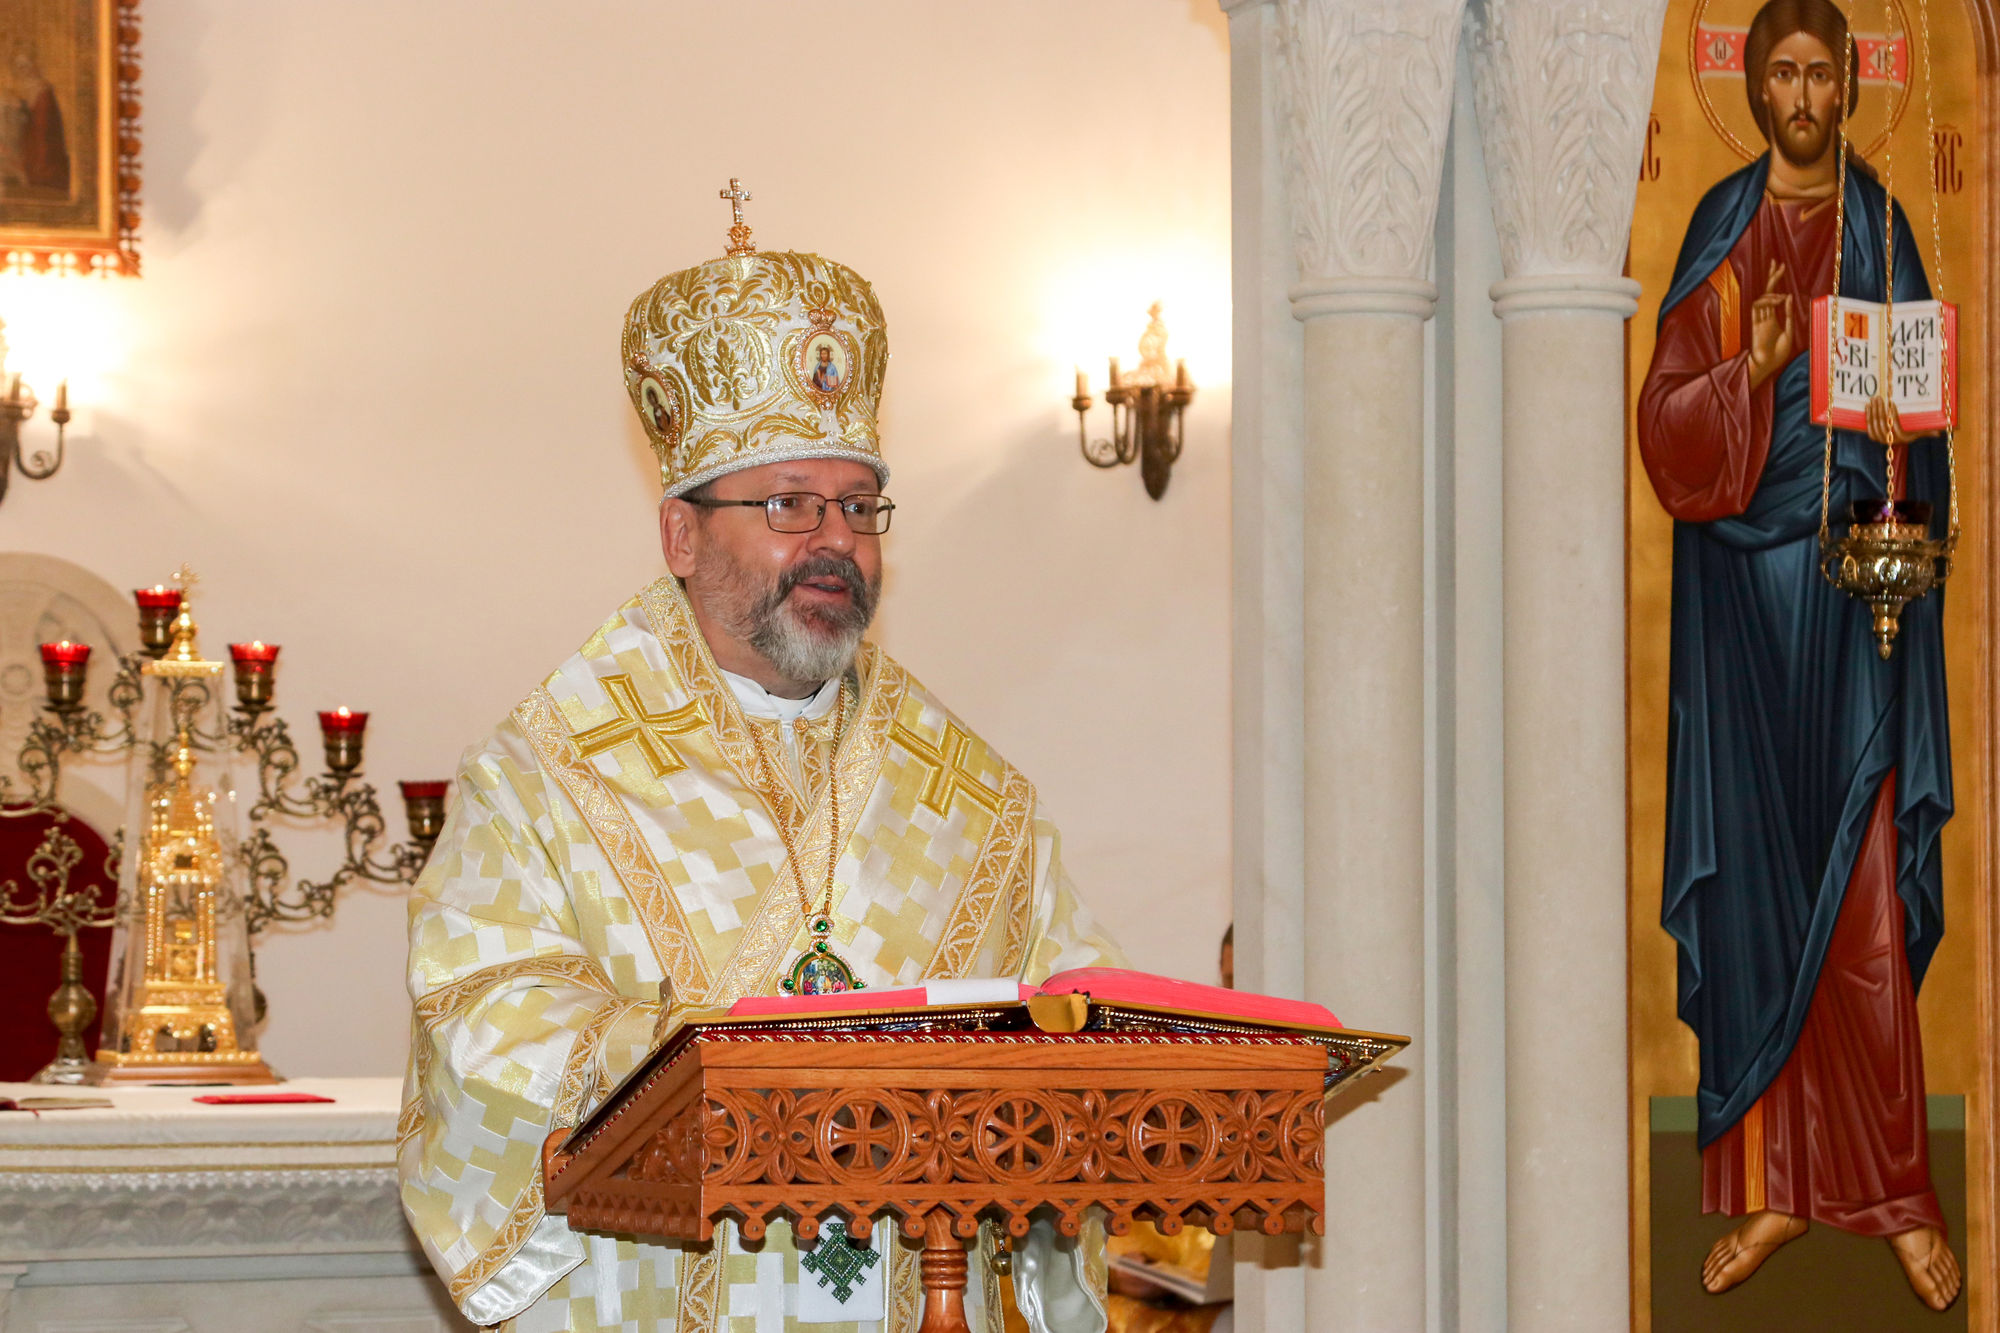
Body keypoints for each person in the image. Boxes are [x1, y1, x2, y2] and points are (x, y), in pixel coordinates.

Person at [400, 224, 1123, 1332]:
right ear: (681, 536)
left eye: (858, 507)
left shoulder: (975, 800)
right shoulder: (545, 776)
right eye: (789, 504)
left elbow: (1080, 1020)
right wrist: (705, 1061)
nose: (834, 541)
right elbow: (480, 1016)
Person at [1636, 0, 1958, 1309]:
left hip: (1855, 606)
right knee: (1759, 904)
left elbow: (1922, 424)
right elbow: (1666, 424)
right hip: (1736, 617)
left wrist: (1898, 466)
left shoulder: (1882, 230)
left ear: (1851, 86)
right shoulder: (1721, 229)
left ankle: (1895, 1194)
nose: (1805, 94)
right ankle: (1774, 1187)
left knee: (1864, 896)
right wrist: (1753, 372)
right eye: (1783, 72)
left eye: (1824, 73)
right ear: (1755, 90)